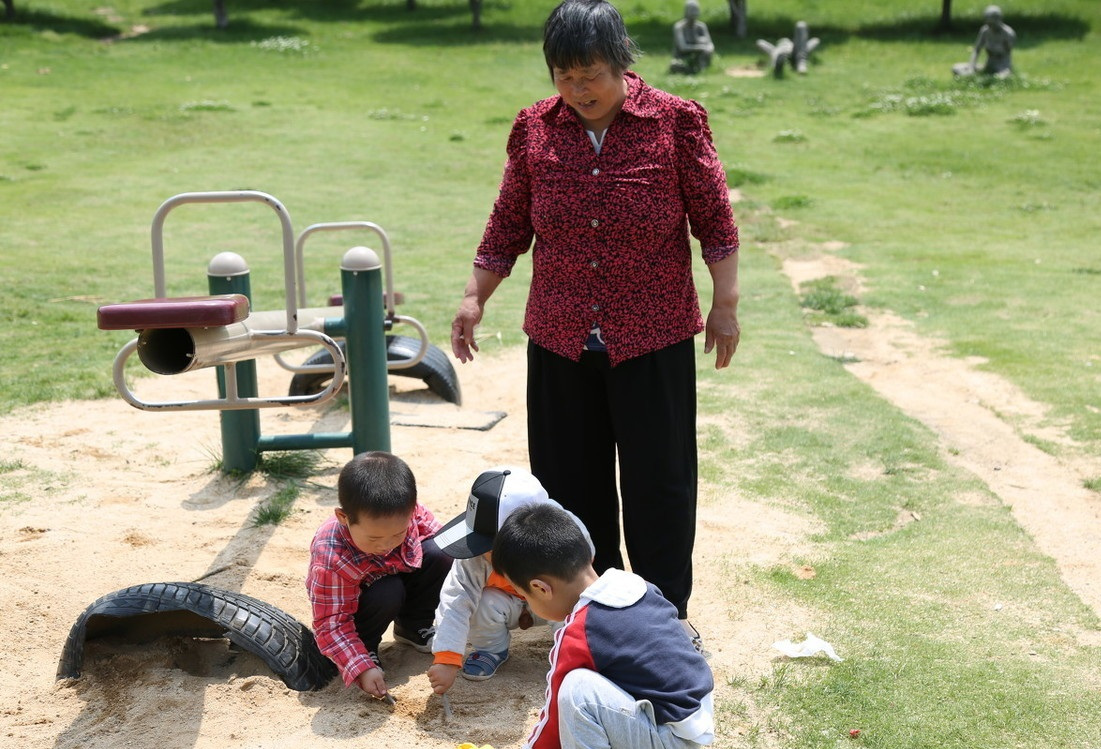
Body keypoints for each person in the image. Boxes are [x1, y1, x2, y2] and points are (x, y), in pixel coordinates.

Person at [450, 0, 740, 653]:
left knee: (659, 482)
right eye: (563, 75)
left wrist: (724, 304)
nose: (577, 90)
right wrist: (474, 296)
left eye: (591, 74)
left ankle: (663, 615)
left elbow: (714, 223)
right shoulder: (534, 130)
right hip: (559, 337)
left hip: (653, 335)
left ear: (621, 64)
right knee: (569, 481)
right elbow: (506, 224)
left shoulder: (674, 123)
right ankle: (592, 614)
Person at [493, 503, 715, 748]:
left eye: (523, 594)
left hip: (669, 738)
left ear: (540, 588)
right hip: (693, 723)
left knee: (576, 691)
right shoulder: (638, 586)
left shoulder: (581, 630)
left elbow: (555, 716)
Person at [425, 467, 594, 693]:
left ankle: (571, 650)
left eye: (488, 546)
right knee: (483, 603)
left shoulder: (569, 535)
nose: (479, 552)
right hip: (506, 604)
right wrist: (446, 658)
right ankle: (492, 650)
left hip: (552, 603)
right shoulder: (474, 558)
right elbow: (455, 600)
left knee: (572, 605)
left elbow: (583, 587)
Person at [305, 451, 452, 700]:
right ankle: (366, 648)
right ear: (344, 517)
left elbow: (439, 539)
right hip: (366, 604)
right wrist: (360, 667)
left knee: (441, 552)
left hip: (400, 581)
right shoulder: (331, 556)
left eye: (398, 534)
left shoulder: (407, 514)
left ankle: (414, 627)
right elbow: (331, 623)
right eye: (374, 538)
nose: (387, 545)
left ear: (412, 510)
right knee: (388, 590)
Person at [953, 5, 1016, 78]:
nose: (989, 26)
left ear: (998, 19)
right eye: (988, 23)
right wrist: (971, 66)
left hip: (1002, 66)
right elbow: (977, 50)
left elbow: (1007, 51)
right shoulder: (985, 31)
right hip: (988, 65)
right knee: (956, 68)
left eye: (991, 24)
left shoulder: (1008, 33)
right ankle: (976, 75)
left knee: (1000, 78)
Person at [670, 0, 715, 74]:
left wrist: (709, 48)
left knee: (706, 52)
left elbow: (710, 44)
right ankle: (690, 69)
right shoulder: (679, 27)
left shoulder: (701, 26)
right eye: (692, 9)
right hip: (682, 57)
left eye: (696, 9)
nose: (694, 12)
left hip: (698, 56)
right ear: (686, 11)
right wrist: (702, 47)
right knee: (675, 65)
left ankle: (701, 69)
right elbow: (683, 47)